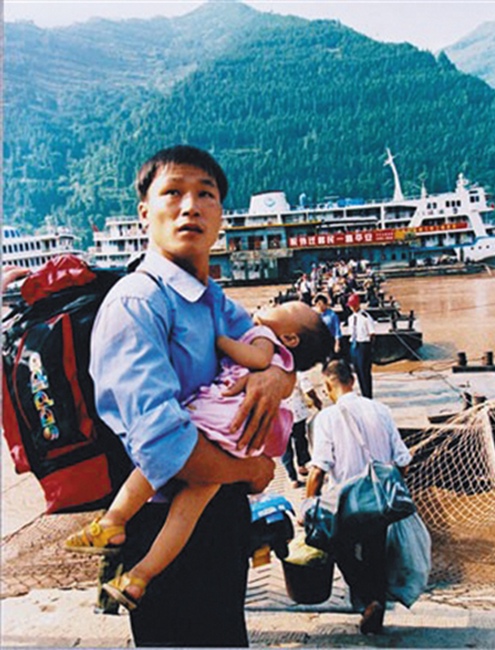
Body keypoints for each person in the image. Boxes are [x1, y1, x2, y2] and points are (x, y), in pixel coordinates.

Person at [76, 145, 295, 648]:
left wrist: (273, 378)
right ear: (144, 213)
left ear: (220, 215)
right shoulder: (138, 303)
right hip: (160, 519)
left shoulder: (210, 298)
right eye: (172, 193)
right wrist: (250, 470)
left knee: (225, 635)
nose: (190, 207)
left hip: (217, 512)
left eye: (205, 194)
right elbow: (163, 443)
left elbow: (273, 348)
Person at [65, 300, 334, 610]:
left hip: (219, 419)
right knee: (185, 515)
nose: (276, 304)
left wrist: (218, 341)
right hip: (236, 437)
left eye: (286, 307)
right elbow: (278, 372)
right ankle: (139, 577)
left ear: (290, 338)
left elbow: (257, 357)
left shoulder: (263, 337)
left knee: (158, 459)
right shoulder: (279, 357)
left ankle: (114, 520)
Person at [305, 358, 411, 635]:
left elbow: (319, 469)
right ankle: (376, 610)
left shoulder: (326, 417)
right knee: (376, 554)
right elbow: (403, 460)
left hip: (347, 503)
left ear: (328, 387)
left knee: (336, 546)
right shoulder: (381, 410)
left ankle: (367, 600)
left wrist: (308, 504)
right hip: (381, 500)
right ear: (353, 381)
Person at [282, 370, 323, 488]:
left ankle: (292, 478)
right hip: (296, 412)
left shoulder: (269, 372)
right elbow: (307, 388)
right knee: (300, 438)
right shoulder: (295, 370)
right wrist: (316, 401)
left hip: (280, 416)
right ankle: (302, 465)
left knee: (285, 447)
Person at [347, 293, 375, 398]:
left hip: (363, 344)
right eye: (351, 306)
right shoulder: (351, 318)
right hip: (354, 344)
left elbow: (372, 333)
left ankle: (367, 394)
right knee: (357, 370)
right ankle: (363, 392)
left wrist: (370, 348)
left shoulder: (365, 317)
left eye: (354, 305)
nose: (352, 308)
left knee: (364, 372)